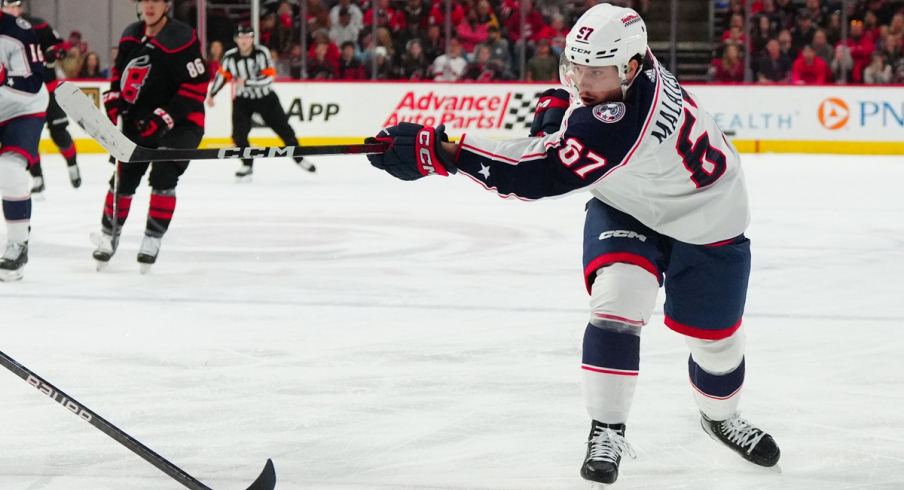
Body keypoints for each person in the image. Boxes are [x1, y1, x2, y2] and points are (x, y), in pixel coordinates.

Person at [364, 4, 781, 486]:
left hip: (708, 217)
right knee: (617, 301)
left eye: (595, 71)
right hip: (628, 199)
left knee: (717, 343)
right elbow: (565, 137)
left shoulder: (621, 117)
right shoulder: (625, 70)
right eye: (575, 67)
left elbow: (535, 173)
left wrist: (443, 152)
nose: (581, 81)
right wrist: (556, 117)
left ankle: (720, 417)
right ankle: (607, 428)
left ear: (629, 68)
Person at [94, 0, 209, 272]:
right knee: (124, 177)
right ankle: (110, 234)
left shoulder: (182, 37)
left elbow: (198, 85)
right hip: (140, 119)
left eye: (156, 0)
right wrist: (114, 98)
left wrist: (165, 116)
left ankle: (152, 238)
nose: (150, 5)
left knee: (164, 175)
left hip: (182, 121)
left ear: (167, 5)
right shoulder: (131, 34)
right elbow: (119, 74)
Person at [208, 25, 316, 181]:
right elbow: (222, 76)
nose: (244, 40)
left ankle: (299, 158)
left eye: (247, 37)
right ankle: (247, 165)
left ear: (252, 39)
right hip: (243, 100)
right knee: (239, 135)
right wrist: (212, 94)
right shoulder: (230, 56)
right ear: (236, 39)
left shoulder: (261, 53)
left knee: (285, 130)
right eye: (241, 37)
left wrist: (247, 82)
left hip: (265, 98)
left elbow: (269, 77)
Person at [1, 0, 81, 197]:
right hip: (19, 96)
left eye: (15, 5)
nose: (12, 9)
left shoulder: (37, 25)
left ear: (20, 8)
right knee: (26, 138)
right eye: (7, 5)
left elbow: (59, 46)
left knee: (59, 132)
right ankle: (38, 178)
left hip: (47, 88)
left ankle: (73, 166)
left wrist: (55, 53)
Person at [0, 6, 46, 281]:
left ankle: (18, 245)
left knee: (10, 171)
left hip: (23, 110)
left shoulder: (19, 31)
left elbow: (32, 81)